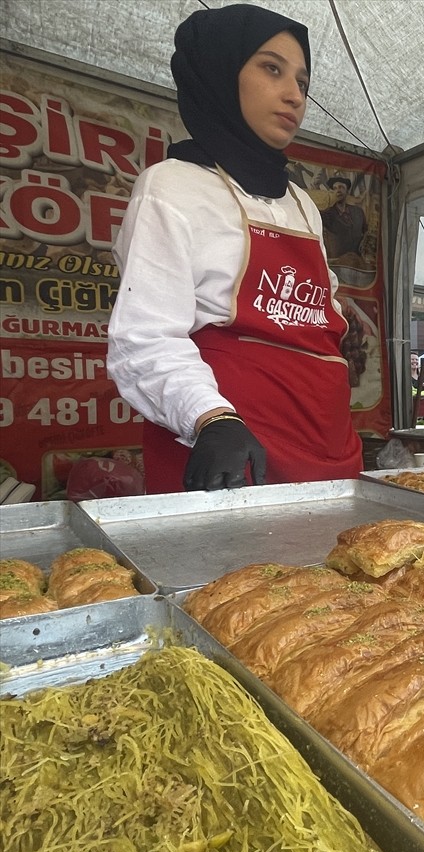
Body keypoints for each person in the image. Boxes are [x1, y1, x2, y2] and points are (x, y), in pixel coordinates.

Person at [107, 4, 362, 492]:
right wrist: (211, 418)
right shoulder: (173, 187)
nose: (294, 96)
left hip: (325, 441)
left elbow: (320, 314)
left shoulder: (301, 203)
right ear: (221, 73)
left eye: (303, 82)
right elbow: (145, 337)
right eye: (272, 69)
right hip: (235, 450)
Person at [320, 175, 366, 259]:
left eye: (341, 187)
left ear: (347, 191)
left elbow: (365, 232)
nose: (338, 191)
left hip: (357, 261)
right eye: (335, 188)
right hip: (337, 262)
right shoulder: (327, 214)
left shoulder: (358, 212)